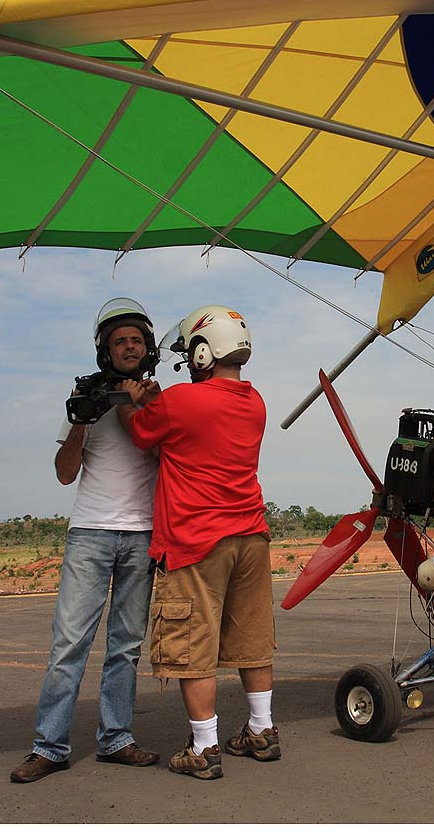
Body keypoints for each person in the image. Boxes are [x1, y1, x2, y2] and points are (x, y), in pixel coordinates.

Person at [116, 305, 277, 781]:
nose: (189, 360)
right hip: (250, 536)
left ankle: (204, 747)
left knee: (191, 643)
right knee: (251, 639)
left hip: (196, 540)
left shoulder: (182, 400)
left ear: (205, 352)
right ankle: (262, 730)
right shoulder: (255, 402)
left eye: (191, 352)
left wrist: (127, 400)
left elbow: (141, 431)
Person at [10, 298, 162, 784]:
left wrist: (144, 406)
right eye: (120, 342)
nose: (129, 347)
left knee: (126, 647)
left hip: (141, 533)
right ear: (106, 351)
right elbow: (64, 473)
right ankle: (49, 746)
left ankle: (116, 739)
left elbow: (173, 458)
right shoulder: (85, 399)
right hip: (91, 533)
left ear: (148, 347)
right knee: (69, 644)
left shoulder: (158, 399)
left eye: (136, 340)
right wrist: (82, 418)